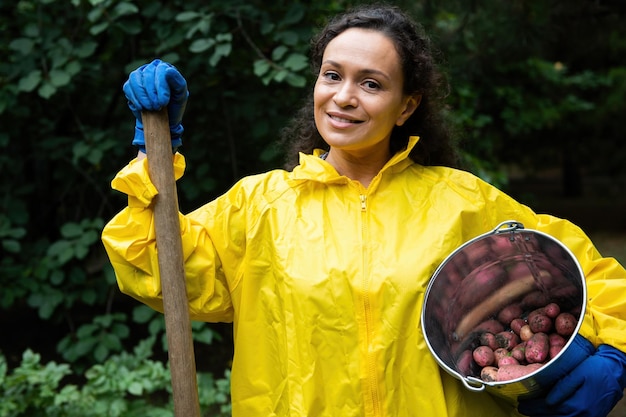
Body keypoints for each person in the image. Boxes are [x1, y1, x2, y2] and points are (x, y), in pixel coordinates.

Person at [102, 4, 626, 417]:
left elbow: (588, 273)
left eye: (370, 83)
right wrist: (155, 157)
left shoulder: (461, 202)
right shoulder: (259, 208)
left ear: (406, 106)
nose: (344, 97)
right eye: (332, 76)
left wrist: (616, 354)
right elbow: (153, 268)